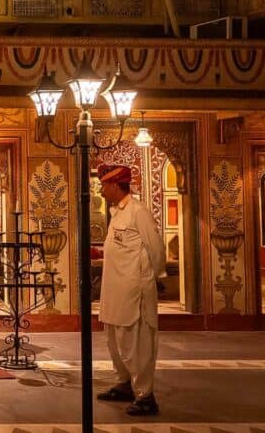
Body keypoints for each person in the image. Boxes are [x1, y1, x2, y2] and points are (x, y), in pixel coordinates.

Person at [95, 164, 166, 416]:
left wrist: (155, 277)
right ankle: (124, 384)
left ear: (115, 186)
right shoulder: (117, 213)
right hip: (115, 290)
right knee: (115, 341)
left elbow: (156, 248)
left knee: (136, 343)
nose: (101, 190)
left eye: (104, 185)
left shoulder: (138, 212)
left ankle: (145, 396)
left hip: (134, 291)